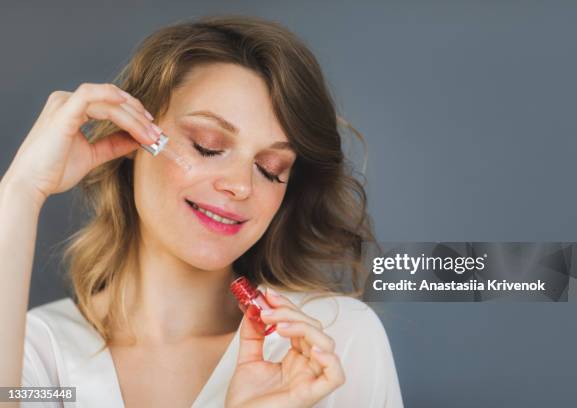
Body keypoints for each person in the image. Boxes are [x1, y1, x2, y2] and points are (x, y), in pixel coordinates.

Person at [0, 16, 403, 408]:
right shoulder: (35, 350)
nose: (241, 185)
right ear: (133, 134)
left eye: (270, 169)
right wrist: (21, 191)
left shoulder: (332, 343)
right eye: (208, 145)